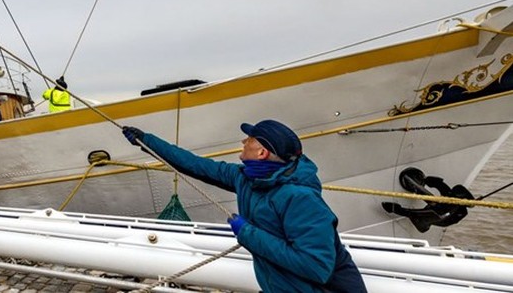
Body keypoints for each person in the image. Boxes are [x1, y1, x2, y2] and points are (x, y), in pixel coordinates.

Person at [121, 120, 366, 292]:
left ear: (261, 153)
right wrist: (146, 141)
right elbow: (195, 165)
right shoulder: (247, 178)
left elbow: (316, 267)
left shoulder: (300, 198)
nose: (243, 141)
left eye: (248, 139)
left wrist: (247, 232)